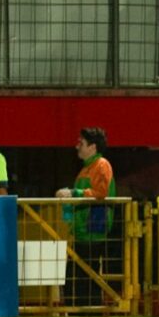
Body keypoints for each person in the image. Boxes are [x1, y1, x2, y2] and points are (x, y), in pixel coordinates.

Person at [56, 127, 116, 305]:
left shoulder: (101, 165)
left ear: (93, 147)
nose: (77, 147)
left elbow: (101, 192)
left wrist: (74, 193)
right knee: (81, 276)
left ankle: (90, 311)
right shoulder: (86, 170)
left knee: (87, 276)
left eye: (80, 143)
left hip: (94, 227)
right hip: (83, 229)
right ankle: (84, 311)